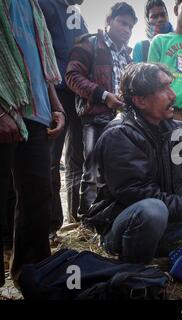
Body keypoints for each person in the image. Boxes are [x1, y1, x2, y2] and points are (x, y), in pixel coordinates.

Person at [84, 63, 182, 264]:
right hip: (122, 225)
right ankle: (136, 268)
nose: (173, 95)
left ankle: (162, 244)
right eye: (163, 88)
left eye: (170, 86)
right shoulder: (120, 136)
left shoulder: (166, 125)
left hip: (160, 213)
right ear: (140, 100)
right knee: (153, 210)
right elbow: (143, 196)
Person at [0, 0, 65, 282]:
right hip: (6, 107)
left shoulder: (35, 8)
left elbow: (42, 62)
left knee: (38, 198)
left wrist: (56, 106)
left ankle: (34, 276)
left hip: (35, 114)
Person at [66, 2, 136, 218]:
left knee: (116, 173)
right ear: (109, 21)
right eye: (122, 23)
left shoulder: (128, 56)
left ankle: (104, 220)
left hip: (121, 121)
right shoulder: (90, 44)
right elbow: (72, 76)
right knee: (93, 173)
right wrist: (104, 96)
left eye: (130, 26)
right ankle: (87, 223)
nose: (126, 29)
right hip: (95, 119)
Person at [38, 0, 88, 239]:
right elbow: (40, 47)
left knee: (76, 157)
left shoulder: (76, 15)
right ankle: (49, 226)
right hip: (54, 92)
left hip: (77, 95)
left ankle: (76, 218)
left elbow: (86, 46)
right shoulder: (45, 5)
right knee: (50, 158)